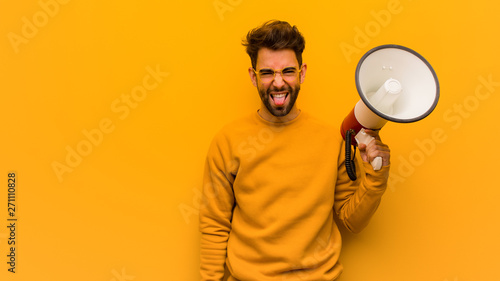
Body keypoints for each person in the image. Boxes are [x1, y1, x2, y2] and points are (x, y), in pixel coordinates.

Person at [199, 20, 391, 281]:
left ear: (301, 74)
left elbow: (352, 222)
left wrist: (375, 176)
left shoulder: (330, 139)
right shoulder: (228, 140)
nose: (278, 83)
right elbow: (214, 224)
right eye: (267, 73)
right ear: (253, 76)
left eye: (288, 71)